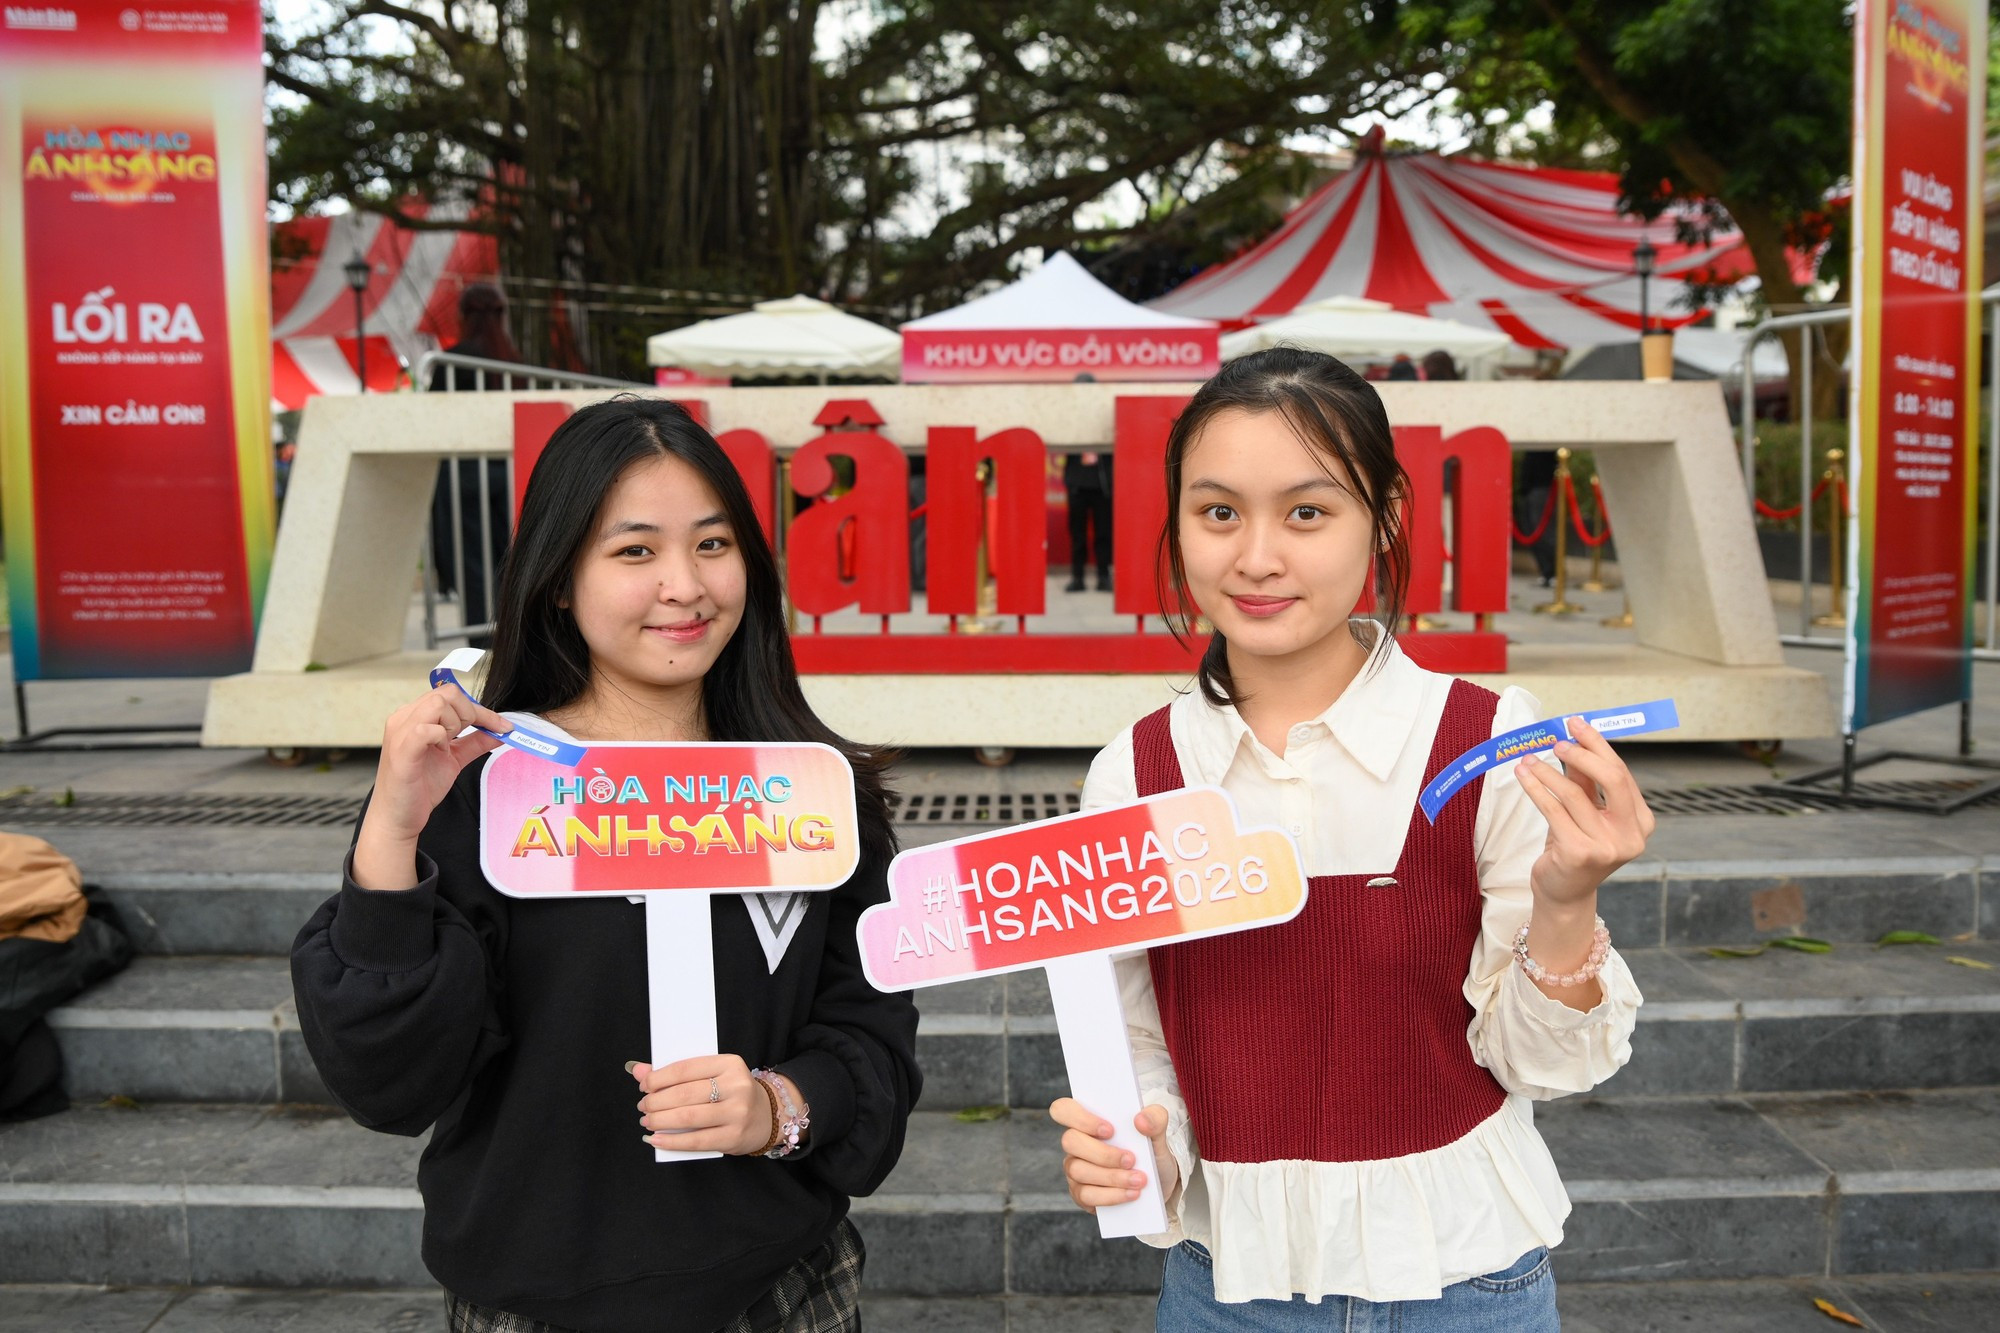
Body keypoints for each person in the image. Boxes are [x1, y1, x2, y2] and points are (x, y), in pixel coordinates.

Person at [292, 397, 921, 1333]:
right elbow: (390, 1079)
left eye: (712, 545)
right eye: (634, 551)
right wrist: (392, 826)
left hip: (780, 1289)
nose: (684, 585)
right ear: (559, 579)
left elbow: (872, 1038)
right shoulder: (490, 795)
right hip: (538, 1300)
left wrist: (779, 1105)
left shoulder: (813, 793)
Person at [1048, 348, 1647, 1330]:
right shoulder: (1135, 771)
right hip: (1226, 1289)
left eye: (1306, 512)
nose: (1255, 557)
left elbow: (1538, 1064)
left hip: (1467, 1283)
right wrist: (1147, 1147)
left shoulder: (1488, 738)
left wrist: (1564, 900)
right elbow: (1141, 1040)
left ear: (1388, 514)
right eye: (1217, 512)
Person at [428, 283, 523, 645]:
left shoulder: (453, 362)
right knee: (511, 558)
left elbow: (435, 416)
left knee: (471, 563)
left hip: (465, 470)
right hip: (509, 469)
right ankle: (514, 638)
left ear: (464, 316)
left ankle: (482, 644)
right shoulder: (515, 362)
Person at [1063, 449, 1113, 593]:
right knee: (1078, 535)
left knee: (1103, 535)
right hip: (1077, 486)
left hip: (1102, 487)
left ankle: (1103, 577)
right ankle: (1077, 577)